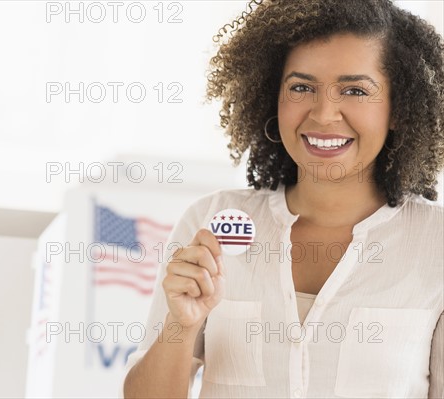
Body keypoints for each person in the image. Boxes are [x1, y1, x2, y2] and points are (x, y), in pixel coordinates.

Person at [122, 0, 444, 398]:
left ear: (399, 109)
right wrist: (182, 325)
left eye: (355, 90)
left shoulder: (437, 244)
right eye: (302, 87)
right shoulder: (211, 221)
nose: (324, 114)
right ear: (272, 96)